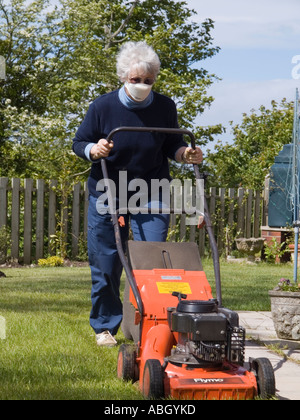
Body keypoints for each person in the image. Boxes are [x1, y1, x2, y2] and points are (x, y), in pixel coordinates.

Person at [72, 41, 203, 347]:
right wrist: (95, 149)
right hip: (108, 189)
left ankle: (149, 322)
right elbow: (80, 142)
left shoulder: (165, 107)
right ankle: (105, 326)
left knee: (153, 259)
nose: (142, 86)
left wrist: (186, 154)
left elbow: (171, 145)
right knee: (106, 261)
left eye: (148, 81)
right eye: (136, 80)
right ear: (123, 77)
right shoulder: (102, 107)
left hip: (151, 188)